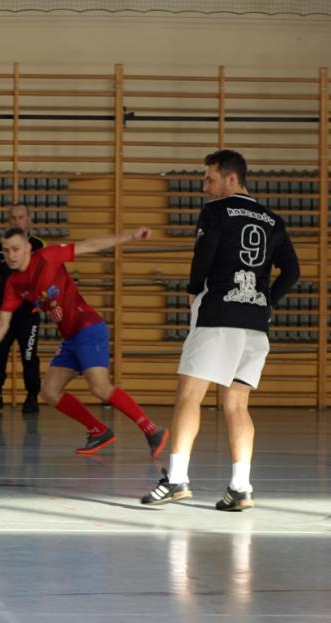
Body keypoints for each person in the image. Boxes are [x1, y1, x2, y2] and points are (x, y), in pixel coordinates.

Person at [141, 149, 299, 510]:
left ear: (232, 178)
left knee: (189, 395)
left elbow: (204, 254)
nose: (204, 187)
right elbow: (292, 272)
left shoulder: (216, 211)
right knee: (237, 404)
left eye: (209, 179)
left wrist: (193, 289)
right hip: (255, 325)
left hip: (218, 316)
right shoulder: (273, 220)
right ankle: (241, 487)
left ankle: (177, 480)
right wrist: (267, 302)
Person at [0, 226, 168, 457]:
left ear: (27, 247)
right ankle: (99, 431)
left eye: (15, 249)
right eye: (6, 251)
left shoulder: (47, 257)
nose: (11, 255)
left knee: (100, 387)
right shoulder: (14, 283)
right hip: (70, 337)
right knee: (50, 391)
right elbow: (2, 321)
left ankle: (152, 430)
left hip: (88, 327)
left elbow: (90, 245)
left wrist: (130, 236)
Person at [0, 204, 45, 415]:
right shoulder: (2, 247)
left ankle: (31, 397)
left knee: (29, 355)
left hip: (28, 312)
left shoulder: (39, 246)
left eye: (21, 217)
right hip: (5, 310)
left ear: (29, 219)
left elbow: (47, 276)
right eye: (13, 218)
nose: (17, 221)